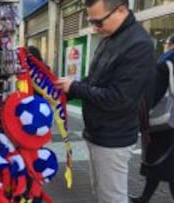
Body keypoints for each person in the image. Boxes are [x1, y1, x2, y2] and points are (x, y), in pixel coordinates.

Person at [55, 0, 154, 202]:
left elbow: (119, 98)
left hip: (113, 137)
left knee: (112, 197)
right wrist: (71, 88)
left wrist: (75, 88)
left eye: (98, 22)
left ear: (121, 10)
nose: (94, 28)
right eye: (92, 21)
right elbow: (95, 81)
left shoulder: (138, 44)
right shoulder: (110, 36)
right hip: (98, 132)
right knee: (102, 192)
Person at [130, 34, 174, 203]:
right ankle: (144, 198)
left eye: (166, 43)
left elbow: (151, 95)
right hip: (169, 124)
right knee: (160, 167)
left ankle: (144, 198)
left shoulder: (165, 64)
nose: (165, 46)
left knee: (163, 165)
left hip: (164, 124)